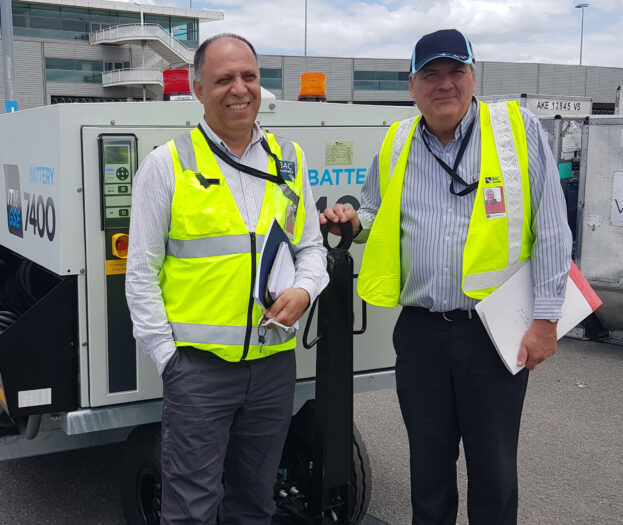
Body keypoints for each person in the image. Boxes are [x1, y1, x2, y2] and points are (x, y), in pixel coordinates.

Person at [320, 29, 572, 525]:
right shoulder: (396, 142)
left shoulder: (517, 131)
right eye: (430, 75)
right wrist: (354, 219)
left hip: (493, 335)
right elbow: (375, 210)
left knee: (494, 472)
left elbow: (553, 229)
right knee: (428, 471)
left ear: (473, 76)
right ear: (412, 85)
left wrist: (546, 319)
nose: (444, 85)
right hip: (421, 334)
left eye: (455, 71)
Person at [126, 33, 329, 525]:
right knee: (191, 508)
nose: (239, 89)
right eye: (223, 79)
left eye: (249, 76)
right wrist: (169, 360)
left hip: (273, 366)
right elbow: (140, 275)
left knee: (255, 503)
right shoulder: (166, 165)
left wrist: (305, 289)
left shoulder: (289, 160)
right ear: (198, 89)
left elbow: (310, 248)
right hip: (198, 372)